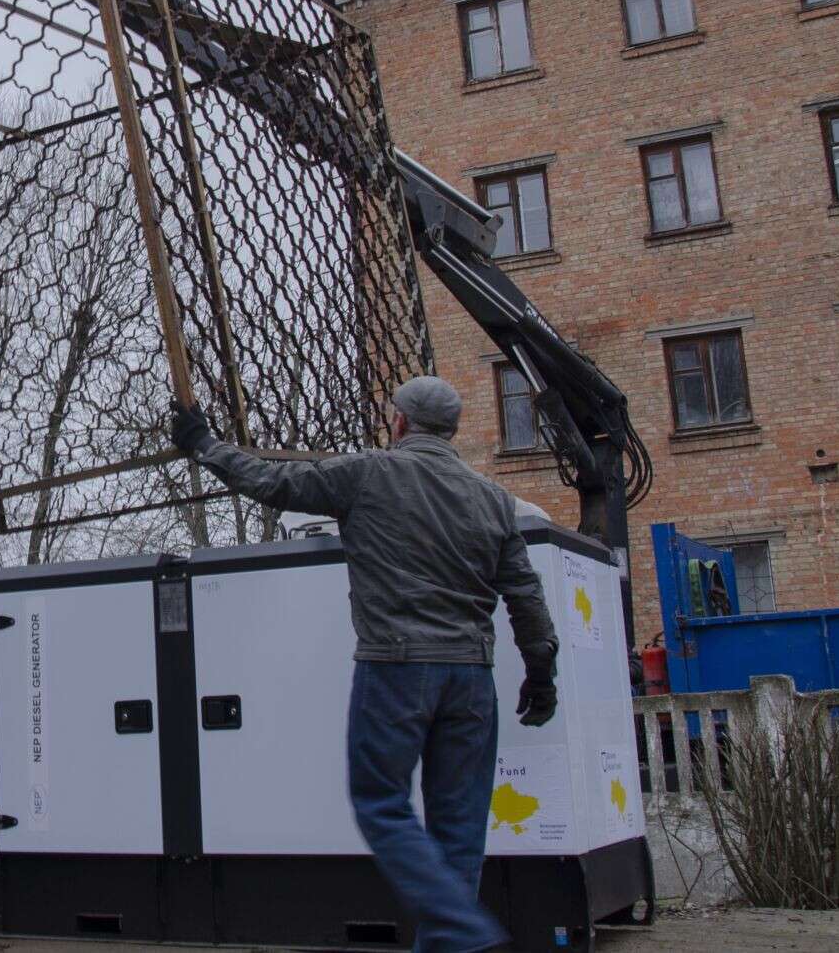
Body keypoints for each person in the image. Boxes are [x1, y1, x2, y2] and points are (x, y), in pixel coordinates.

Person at [169, 375, 559, 953]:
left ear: (399, 423)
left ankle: (464, 930)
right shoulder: (492, 500)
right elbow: (525, 597)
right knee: (460, 832)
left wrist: (203, 443)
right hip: (472, 680)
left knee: (380, 802)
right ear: (452, 430)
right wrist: (541, 673)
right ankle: (457, 937)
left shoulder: (369, 474)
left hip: (397, 668)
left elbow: (272, 482)